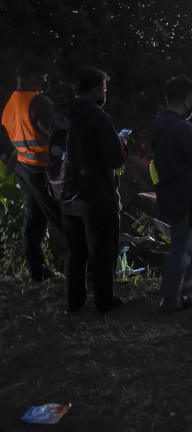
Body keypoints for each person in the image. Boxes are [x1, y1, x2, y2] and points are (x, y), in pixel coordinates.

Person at [61, 65, 128, 314]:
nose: (105, 92)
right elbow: (115, 158)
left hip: (68, 192)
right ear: (97, 89)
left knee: (75, 251)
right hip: (97, 194)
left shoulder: (61, 113)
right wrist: (122, 144)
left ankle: (73, 302)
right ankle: (105, 301)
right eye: (104, 87)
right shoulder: (97, 118)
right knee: (102, 250)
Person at [1, 58, 65, 281]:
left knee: (34, 222)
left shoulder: (11, 103)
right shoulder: (38, 102)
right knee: (61, 219)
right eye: (42, 75)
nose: (45, 79)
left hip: (24, 168)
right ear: (32, 76)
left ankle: (38, 271)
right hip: (44, 171)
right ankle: (79, 271)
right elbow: (57, 135)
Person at [150, 76, 192, 312]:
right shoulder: (183, 128)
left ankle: (188, 285)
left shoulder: (158, 124)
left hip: (167, 192)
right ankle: (170, 297)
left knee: (188, 242)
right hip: (184, 195)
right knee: (182, 246)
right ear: (188, 100)